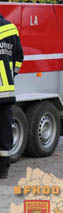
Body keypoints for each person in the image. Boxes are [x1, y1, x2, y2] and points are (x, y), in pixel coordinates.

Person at [0, 13, 23, 179]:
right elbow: (19, 57)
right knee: (4, 130)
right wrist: (10, 76)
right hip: (5, 92)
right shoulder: (10, 28)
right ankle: (3, 171)